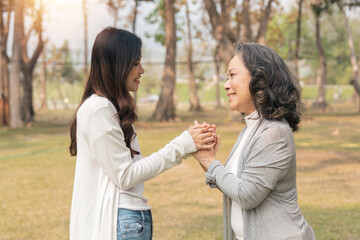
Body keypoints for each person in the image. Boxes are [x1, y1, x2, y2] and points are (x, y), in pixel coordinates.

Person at [68, 27, 215, 240]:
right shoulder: (99, 110)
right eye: (136, 63)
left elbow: (129, 171)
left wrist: (187, 143)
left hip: (127, 220)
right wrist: (182, 145)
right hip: (119, 222)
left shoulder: (108, 109)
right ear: (118, 65)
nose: (142, 70)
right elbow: (126, 176)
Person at [193, 42, 316, 240]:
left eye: (232, 75)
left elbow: (247, 195)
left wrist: (210, 163)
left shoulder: (274, 133)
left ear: (259, 78)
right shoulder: (250, 129)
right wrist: (208, 159)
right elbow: (235, 184)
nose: (226, 85)